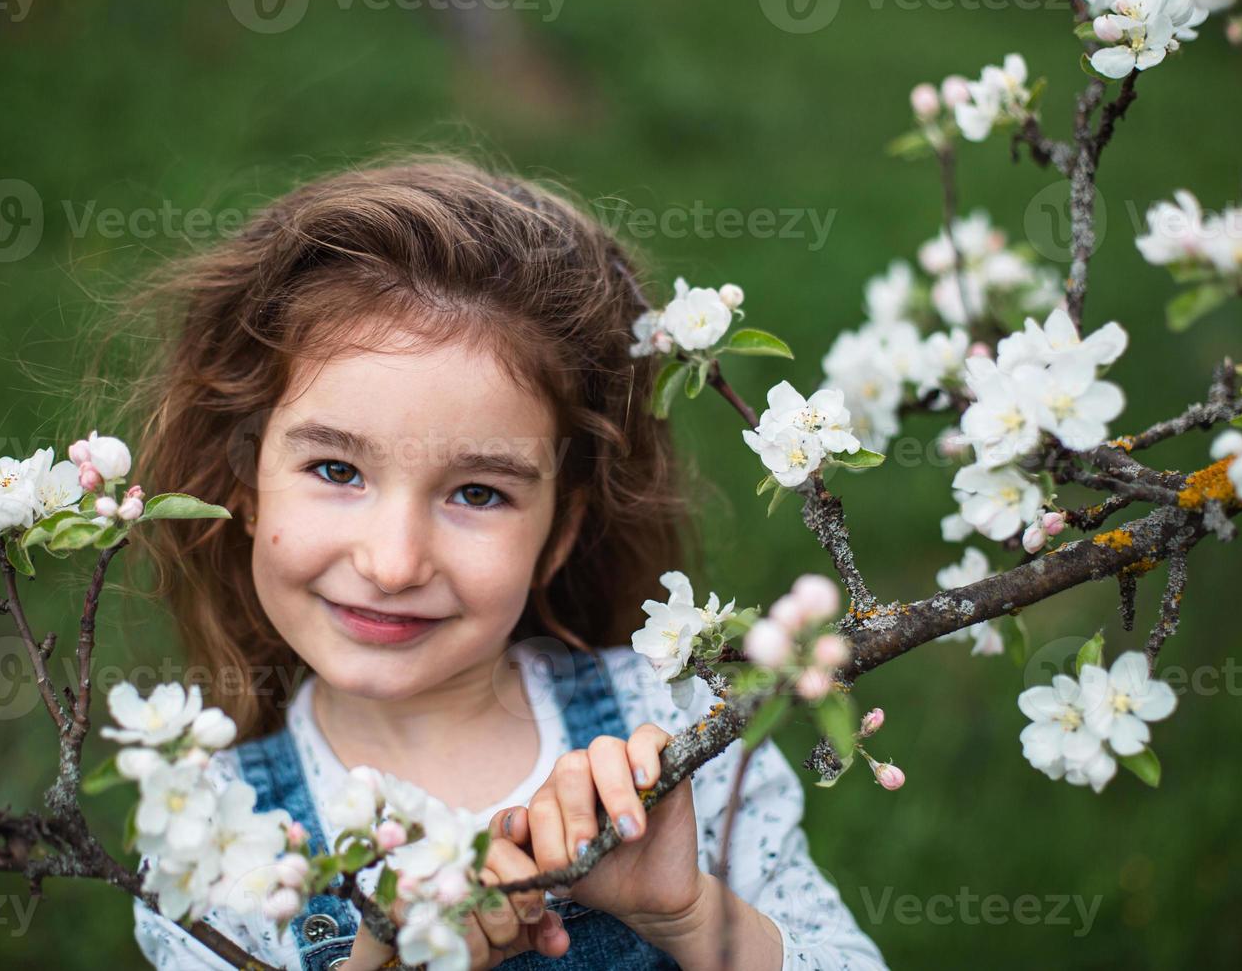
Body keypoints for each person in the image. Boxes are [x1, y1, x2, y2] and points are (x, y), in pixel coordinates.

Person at [118, 154, 889, 970]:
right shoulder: (208, 839)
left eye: (478, 493)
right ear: (246, 487)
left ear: (559, 530)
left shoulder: (680, 726)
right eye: (337, 471)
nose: (393, 562)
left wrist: (690, 916)